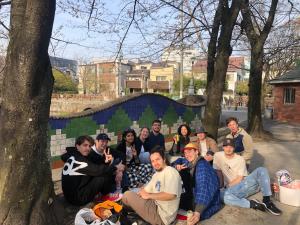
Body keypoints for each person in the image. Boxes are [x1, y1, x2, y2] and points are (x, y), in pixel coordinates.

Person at [213, 138, 282, 216]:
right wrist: (220, 186)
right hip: (232, 191)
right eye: (226, 146)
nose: (228, 149)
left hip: (243, 184)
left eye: (231, 147)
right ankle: (253, 204)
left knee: (261, 169)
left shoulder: (240, 159)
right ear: (223, 147)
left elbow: (240, 178)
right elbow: (217, 171)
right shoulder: (217, 155)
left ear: (234, 148)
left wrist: (226, 186)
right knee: (222, 195)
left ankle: (267, 201)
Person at [122, 146, 182, 225]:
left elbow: (171, 195)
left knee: (127, 195)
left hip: (162, 216)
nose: (155, 163)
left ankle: (123, 214)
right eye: (153, 161)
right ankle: (125, 214)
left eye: (157, 159)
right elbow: (145, 191)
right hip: (154, 205)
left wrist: (149, 196)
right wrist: (140, 195)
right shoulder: (156, 174)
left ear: (164, 159)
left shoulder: (170, 171)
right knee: (131, 195)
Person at [61, 135, 117, 205]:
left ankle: (101, 194)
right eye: (85, 145)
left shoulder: (73, 155)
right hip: (78, 199)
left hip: (70, 197)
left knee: (96, 172)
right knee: (103, 176)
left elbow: (95, 164)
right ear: (77, 146)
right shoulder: (80, 161)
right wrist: (114, 165)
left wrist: (106, 162)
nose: (88, 148)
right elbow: (100, 170)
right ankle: (106, 196)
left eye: (90, 146)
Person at [172, 143, 221, 223]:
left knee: (176, 204)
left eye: (190, 151)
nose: (187, 155)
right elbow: (180, 160)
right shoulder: (190, 161)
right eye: (185, 153)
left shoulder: (202, 166)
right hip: (193, 193)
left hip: (208, 200)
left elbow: (203, 188)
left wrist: (198, 212)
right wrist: (176, 166)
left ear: (196, 152)